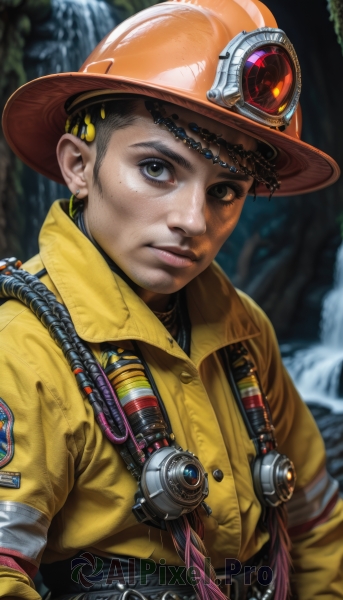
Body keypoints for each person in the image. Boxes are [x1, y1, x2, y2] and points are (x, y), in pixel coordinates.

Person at [0, 0, 342, 599]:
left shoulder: (246, 332)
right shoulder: (19, 354)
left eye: (226, 190)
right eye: (158, 168)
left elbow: (316, 522)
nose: (193, 221)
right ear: (79, 166)